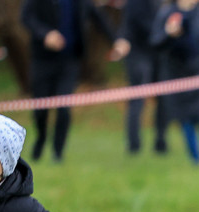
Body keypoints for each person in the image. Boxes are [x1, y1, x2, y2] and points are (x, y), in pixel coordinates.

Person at [20, 0, 128, 162]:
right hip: (42, 60)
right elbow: (26, 17)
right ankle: (41, 138)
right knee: (40, 109)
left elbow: (98, 18)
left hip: (69, 61)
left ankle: (58, 152)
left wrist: (116, 40)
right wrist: (46, 34)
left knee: (64, 107)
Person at [151, 0, 199, 164]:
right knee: (186, 120)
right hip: (175, 75)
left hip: (197, 72)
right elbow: (155, 42)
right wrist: (168, 34)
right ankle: (196, 161)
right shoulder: (166, 13)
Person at [118, 0, 169, 155]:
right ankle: (134, 144)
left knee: (164, 97)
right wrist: (164, 32)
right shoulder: (136, 3)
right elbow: (140, 24)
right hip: (137, 52)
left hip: (157, 53)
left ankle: (161, 141)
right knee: (137, 98)